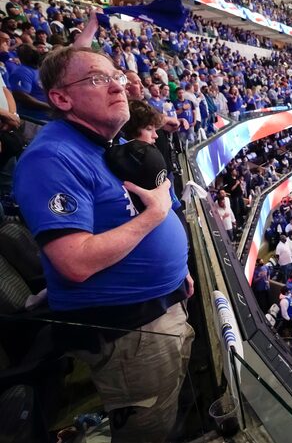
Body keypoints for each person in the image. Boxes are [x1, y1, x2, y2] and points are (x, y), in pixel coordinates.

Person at [14, 45, 194, 442]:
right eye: (97, 79)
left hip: (156, 310)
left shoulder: (100, 144)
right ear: (61, 98)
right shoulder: (52, 158)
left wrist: (176, 268)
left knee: (163, 406)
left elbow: (116, 217)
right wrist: (156, 215)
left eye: (116, 76)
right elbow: (74, 261)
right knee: (148, 428)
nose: (118, 86)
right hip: (129, 331)